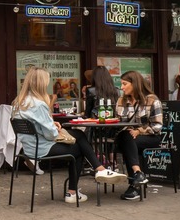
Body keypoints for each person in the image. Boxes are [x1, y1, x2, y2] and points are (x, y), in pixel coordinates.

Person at [11, 67, 128, 204]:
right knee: (78, 150)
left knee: (78, 134)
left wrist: (51, 123)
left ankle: (99, 169)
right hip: (43, 148)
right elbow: (50, 135)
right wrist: (54, 128)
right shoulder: (39, 104)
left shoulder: (18, 102)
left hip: (29, 149)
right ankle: (74, 191)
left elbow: (34, 124)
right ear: (41, 83)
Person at [113, 70, 163, 201]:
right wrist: (131, 131)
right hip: (128, 137)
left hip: (150, 137)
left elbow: (157, 126)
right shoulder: (121, 101)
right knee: (127, 137)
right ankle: (138, 175)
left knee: (128, 140)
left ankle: (135, 184)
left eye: (124, 84)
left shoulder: (152, 100)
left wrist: (139, 131)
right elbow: (118, 123)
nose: (122, 87)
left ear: (135, 84)